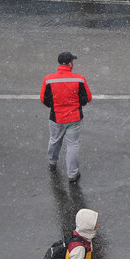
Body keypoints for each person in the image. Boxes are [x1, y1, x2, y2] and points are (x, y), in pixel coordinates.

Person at [40, 51, 92, 182]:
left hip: (56, 117)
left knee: (54, 139)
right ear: (70, 63)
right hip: (74, 117)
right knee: (72, 145)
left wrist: (55, 106)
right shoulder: (79, 79)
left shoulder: (48, 79)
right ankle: (72, 174)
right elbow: (87, 98)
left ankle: (52, 161)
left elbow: (44, 99)